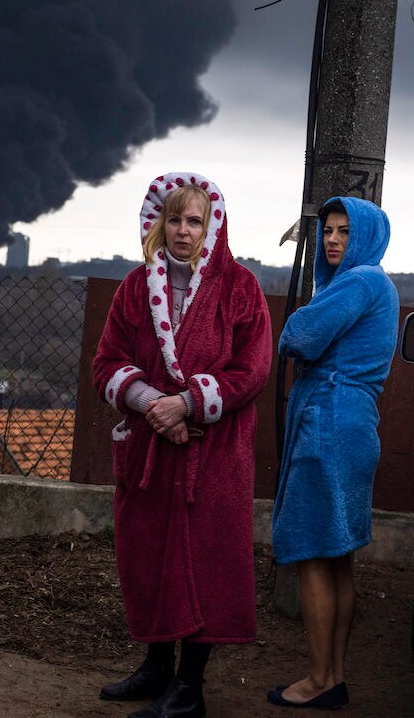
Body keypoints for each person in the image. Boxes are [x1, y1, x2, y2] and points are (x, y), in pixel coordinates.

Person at [93, 172, 272, 718]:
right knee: (149, 557)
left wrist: (190, 403)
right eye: (175, 219)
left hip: (213, 456)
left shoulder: (240, 288)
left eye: (195, 220)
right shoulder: (132, 288)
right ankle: (156, 669)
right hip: (152, 449)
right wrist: (152, 402)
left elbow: (252, 369)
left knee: (203, 562)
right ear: (157, 222)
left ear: (212, 224)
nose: (184, 230)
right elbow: (106, 363)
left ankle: (189, 688)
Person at [267, 196, 399, 710]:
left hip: (329, 421)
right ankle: (333, 676)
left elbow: (299, 336)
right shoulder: (373, 285)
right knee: (336, 558)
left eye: (345, 230)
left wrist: (298, 319)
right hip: (353, 422)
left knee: (312, 557)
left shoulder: (362, 281)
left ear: (366, 235)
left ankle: (320, 679)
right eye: (328, 230)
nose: (333, 239)